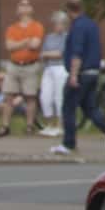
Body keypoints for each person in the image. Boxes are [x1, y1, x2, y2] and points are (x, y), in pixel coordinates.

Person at [53, 0, 101, 156]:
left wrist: (73, 75)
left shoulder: (78, 27)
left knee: (68, 107)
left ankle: (68, 143)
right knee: (91, 109)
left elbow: (77, 52)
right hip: (93, 72)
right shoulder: (91, 24)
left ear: (68, 10)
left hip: (81, 73)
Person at [0, 0, 45, 137]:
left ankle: (30, 126)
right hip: (13, 65)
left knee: (30, 96)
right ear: (17, 9)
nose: (24, 7)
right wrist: (25, 41)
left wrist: (18, 44)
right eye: (21, 5)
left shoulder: (37, 27)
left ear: (31, 9)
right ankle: (5, 126)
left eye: (27, 5)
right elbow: (9, 46)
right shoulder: (12, 28)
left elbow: (35, 45)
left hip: (31, 65)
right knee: (8, 96)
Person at [38, 9, 69, 138]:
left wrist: (47, 54)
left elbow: (61, 54)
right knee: (45, 97)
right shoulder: (49, 38)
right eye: (57, 24)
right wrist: (48, 55)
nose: (59, 26)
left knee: (59, 97)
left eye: (61, 24)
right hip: (48, 69)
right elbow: (42, 54)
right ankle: (49, 124)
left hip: (61, 68)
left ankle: (60, 126)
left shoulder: (67, 37)